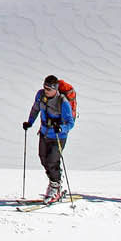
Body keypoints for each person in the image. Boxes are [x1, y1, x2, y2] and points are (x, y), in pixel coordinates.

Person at [23, 75, 76, 203]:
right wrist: (30, 122)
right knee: (43, 158)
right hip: (44, 133)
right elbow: (36, 109)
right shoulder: (41, 96)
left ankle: (55, 187)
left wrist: (62, 128)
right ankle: (55, 181)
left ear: (55, 88)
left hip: (58, 136)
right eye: (44, 87)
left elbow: (70, 122)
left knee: (52, 161)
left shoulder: (62, 102)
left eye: (48, 88)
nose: (45, 90)